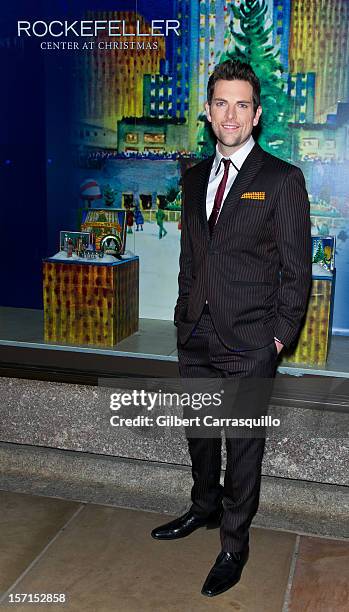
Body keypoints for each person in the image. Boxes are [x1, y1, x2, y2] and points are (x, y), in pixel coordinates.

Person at [151, 59, 312, 597]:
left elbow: (297, 269)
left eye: (242, 104)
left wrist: (276, 337)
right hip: (196, 334)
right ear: (208, 110)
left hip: (250, 343)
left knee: (243, 448)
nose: (231, 114)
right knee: (200, 437)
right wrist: (182, 316)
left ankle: (234, 546)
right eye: (221, 102)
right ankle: (203, 507)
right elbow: (191, 257)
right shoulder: (194, 177)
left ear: (257, 114)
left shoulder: (283, 179)